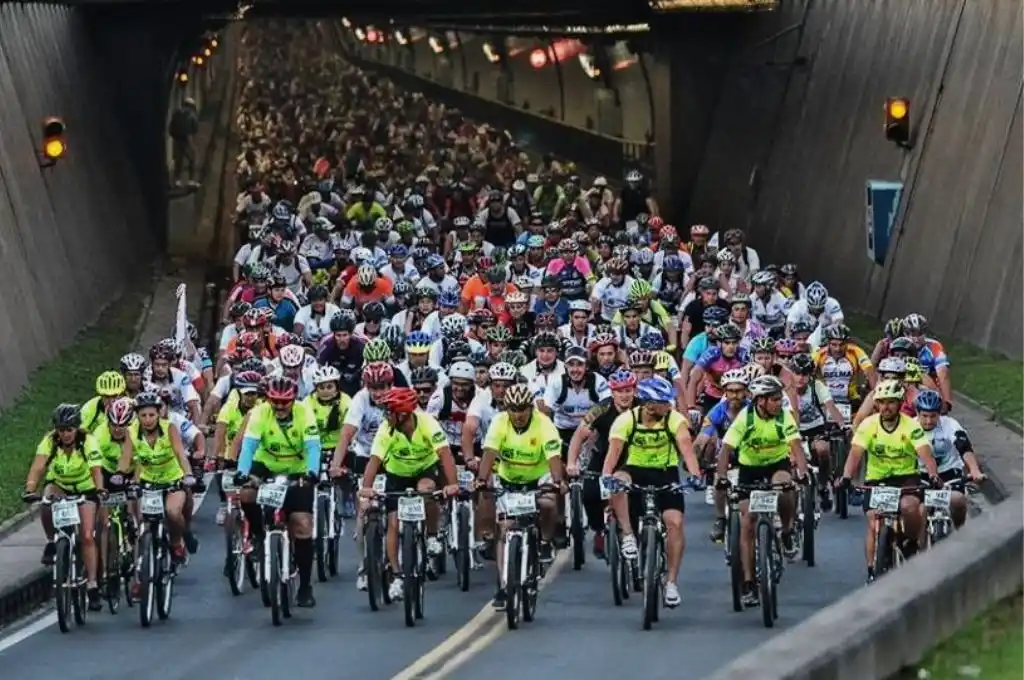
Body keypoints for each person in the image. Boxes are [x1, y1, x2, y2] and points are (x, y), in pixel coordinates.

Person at [602, 376, 703, 609]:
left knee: (674, 523)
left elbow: (686, 450)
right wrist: (606, 476)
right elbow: (614, 453)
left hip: (665, 473)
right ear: (648, 404)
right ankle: (628, 534)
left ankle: (671, 584)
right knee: (617, 481)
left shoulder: (674, 420)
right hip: (635, 470)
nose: (668, 406)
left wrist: (695, 476)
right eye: (663, 403)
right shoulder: (625, 421)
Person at [358, 387, 459, 601]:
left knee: (427, 491)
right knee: (393, 522)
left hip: (425, 469)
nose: (386, 415)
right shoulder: (386, 429)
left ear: (402, 413)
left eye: (389, 411)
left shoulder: (428, 423)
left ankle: (431, 536)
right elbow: (374, 460)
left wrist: (452, 484)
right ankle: (397, 575)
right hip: (398, 473)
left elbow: (445, 454)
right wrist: (367, 488)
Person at [716, 375, 809, 607]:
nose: (779, 403)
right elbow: (726, 449)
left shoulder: (783, 417)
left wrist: (803, 470)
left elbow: (795, 446)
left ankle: (787, 532)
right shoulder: (744, 419)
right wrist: (721, 476)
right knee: (747, 522)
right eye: (775, 400)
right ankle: (748, 582)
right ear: (760, 401)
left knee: (786, 485)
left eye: (780, 398)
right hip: (750, 469)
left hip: (776, 465)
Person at [839, 379, 940, 583]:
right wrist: (847, 477)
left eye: (891, 402)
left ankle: (910, 542)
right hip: (877, 480)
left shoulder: (911, 425)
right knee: (874, 523)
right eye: (882, 402)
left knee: (910, 507)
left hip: (906, 479)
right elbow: (855, 454)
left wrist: (933, 475)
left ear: (899, 403)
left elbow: (925, 454)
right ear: (876, 404)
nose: (886, 407)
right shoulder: (868, 425)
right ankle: (871, 569)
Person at [476, 383, 564, 610]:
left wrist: (558, 481)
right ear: (506, 408)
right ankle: (504, 586)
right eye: (513, 409)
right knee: (504, 527)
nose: (518, 414)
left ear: (530, 408)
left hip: (538, 478)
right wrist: (481, 479)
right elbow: (489, 454)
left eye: (523, 409)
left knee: (547, 503)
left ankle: (544, 541)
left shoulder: (544, 424)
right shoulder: (499, 422)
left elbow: (554, 458)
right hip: (509, 479)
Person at [236, 376, 322, 607]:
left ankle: (305, 586)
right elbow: (249, 446)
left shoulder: (305, 412)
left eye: (285, 402)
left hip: (298, 469)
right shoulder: (260, 413)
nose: (280, 407)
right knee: (246, 494)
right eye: (276, 402)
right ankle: (257, 534)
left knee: (302, 524)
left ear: (293, 400)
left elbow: (313, 446)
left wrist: (313, 472)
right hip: (267, 465)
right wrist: (243, 471)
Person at [23, 404, 106, 610]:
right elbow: (38, 466)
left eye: (69, 429)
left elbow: (96, 469)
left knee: (87, 535)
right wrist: (30, 488)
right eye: (61, 430)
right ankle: (52, 541)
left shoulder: (88, 441)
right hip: (60, 485)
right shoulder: (50, 441)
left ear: (77, 428)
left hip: (85, 489)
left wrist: (99, 489)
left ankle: (93, 585)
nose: (65, 434)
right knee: (45, 500)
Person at [169, 97, 200, 188]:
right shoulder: (191, 115)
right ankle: (191, 181)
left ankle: (176, 180)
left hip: (176, 140)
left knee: (178, 161)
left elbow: (171, 128)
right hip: (187, 139)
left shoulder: (176, 113)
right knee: (192, 158)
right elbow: (195, 128)